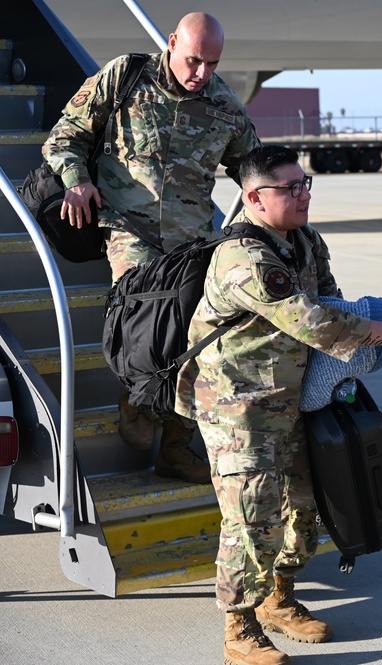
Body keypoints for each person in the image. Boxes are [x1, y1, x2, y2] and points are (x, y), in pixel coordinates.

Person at [174, 145, 382, 665]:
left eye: (305, 183)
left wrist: (365, 351)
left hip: (293, 397)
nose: (303, 195)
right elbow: (311, 320)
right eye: (290, 189)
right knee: (251, 518)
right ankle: (239, 628)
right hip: (239, 407)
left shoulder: (305, 241)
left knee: (307, 505)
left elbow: (333, 301)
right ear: (253, 197)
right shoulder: (243, 258)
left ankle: (279, 597)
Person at [42, 12, 260, 484]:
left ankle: (178, 447)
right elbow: (64, 137)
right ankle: (137, 402)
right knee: (143, 316)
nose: (201, 73)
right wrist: (77, 182)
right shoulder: (126, 76)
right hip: (128, 228)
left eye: (212, 64)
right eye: (193, 60)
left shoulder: (223, 104)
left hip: (193, 241)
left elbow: (253, 173)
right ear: (171, 42)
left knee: (198, 336)